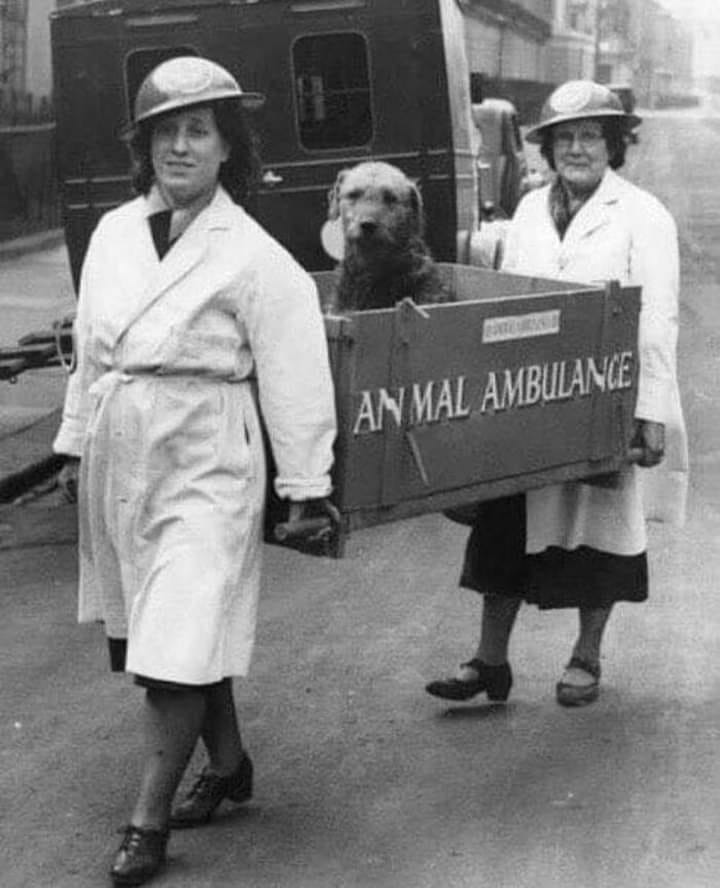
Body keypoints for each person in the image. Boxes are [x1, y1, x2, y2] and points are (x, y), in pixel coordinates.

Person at [53, 56, 337, 887]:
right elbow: (91, 355)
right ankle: (232, 761)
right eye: (165, 131)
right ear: (146, 147)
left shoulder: (254, 254)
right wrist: (74, 442)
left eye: (199, 131)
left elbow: (294, 374)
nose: (181, 146)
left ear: (227, 149)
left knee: (177, 631)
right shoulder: (110, 234)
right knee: (167, 622)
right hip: (124, 443)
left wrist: (306, 488)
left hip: (210, 451)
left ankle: (146, 824)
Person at [425, 80, 688, 710]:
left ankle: (586, 656)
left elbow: (658, 319)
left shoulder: (643, 215)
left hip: (606, 396)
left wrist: (646, 412)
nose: (577, 149)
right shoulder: (528, 212)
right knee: (504, 524)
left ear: (614, 144)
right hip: (533, 399)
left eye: (591, 135)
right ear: (546, 148)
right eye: (564, 137)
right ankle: (490, 662)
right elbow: (507, 303)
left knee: (599, 527)